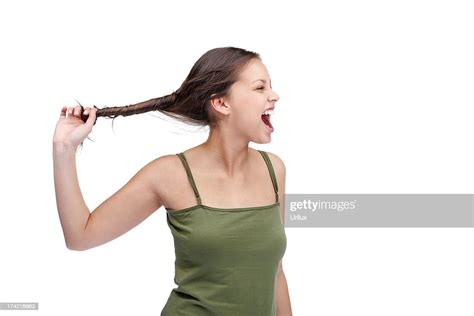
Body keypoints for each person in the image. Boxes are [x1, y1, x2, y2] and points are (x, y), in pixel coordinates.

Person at [52, 46, 292, 315]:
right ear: (222, 103)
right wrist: (64, 150)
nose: (274, 96)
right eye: (260, 88)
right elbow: (80, 236)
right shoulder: (170, 174)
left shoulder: (274, 170)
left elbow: (276, 272)